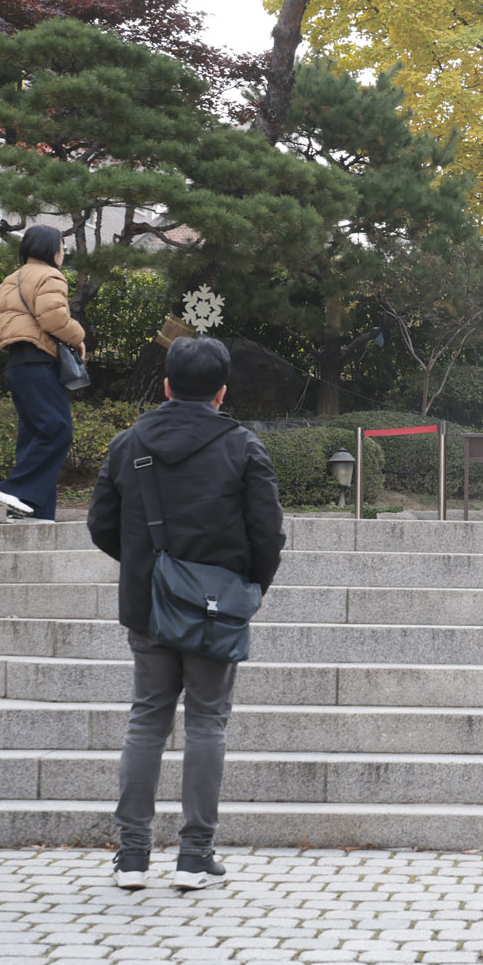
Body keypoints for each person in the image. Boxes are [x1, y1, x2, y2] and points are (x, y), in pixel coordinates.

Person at [87, 337, 285, 891]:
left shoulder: (129, 444)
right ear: (222, 392)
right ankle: (195, 856)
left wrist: (149, 570)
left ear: (167, 385)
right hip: (217, 609)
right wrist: (249, 589)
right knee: (206, 723)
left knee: (146, 719)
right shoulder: (243, 447)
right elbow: (268, 535)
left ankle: (131, 856)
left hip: (147, 607)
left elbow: (101, 524)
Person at [0, 225, 85, 522]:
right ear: (52, 250)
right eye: (62, 247)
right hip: (38, 364)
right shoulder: (50, 275)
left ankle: (33, 513)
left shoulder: (11, 279)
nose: (63, 253)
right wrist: (78, 338)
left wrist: (11, 335)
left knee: (33, 438)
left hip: (17, 365)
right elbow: (53, 317)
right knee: (57, 429)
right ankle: (17, 490)